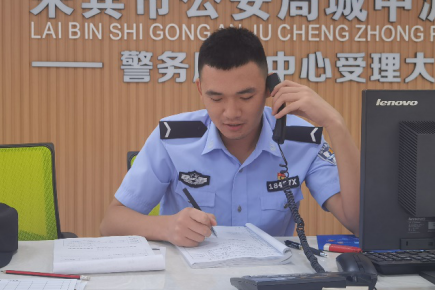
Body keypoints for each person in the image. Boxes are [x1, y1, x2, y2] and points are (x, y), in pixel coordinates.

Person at [100, 27, 360, 247]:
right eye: (216, 98)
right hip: (190, 283)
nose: (231, 113)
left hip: (270, 281)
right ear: (200, 89)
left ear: (269, 89)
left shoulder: (301, 140)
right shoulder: (172, 139)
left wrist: (335, 124)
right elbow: (111, 223)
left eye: (246, 97)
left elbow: (358, 221)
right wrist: (166, 227)